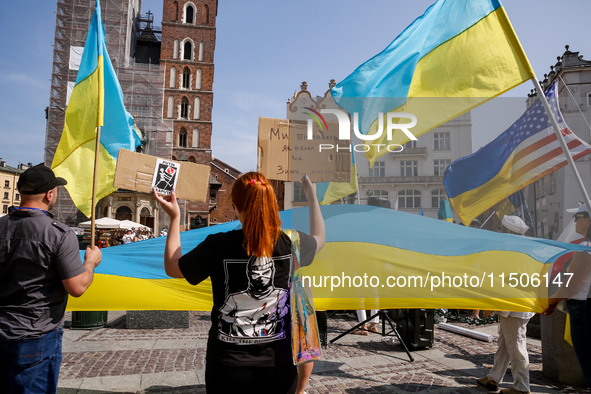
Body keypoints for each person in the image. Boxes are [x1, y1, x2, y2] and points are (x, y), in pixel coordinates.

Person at [153, 172, 325, 394]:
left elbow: (173, 267)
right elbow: (320, 238)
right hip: (279, 365)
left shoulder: (217, 245)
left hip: (227, 366)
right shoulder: (291, 242)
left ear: (235, 206)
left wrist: (174, 218)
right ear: (272, 204)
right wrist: (312, 197)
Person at [0, 164, 102, 394]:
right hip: (35, 335)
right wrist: (90, 262)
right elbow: (77, 287)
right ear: (49, 194)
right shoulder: (58, 233)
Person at [478, 215, 535, 394]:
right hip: (516, 306)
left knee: (517, 346)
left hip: (514, 308)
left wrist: (492, 306)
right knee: (505, 343)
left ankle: (522, 388)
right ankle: (493, 378)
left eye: (500, 229)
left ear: (508, 231)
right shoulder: (523, 249)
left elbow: (506, 283)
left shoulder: (512, 252)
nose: (498, 231)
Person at [543, 205, 591, 387]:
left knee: (588, 363)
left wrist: (550, 302)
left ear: (589, 220)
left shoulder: (586, 247)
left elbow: (571, 287)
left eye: (578, 216)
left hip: (581, 307)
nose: (575, 221)